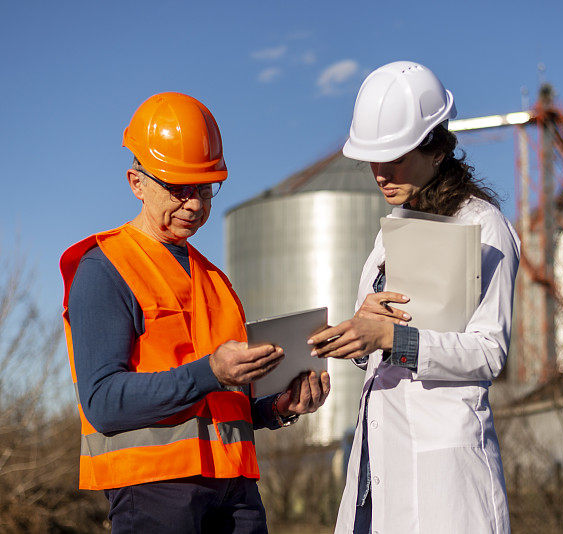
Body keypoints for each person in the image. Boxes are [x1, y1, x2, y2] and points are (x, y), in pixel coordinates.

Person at [60, 92, 330, 533]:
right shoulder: (104, 267)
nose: (193, 204)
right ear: (136, 182)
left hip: (236, 492)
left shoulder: (215, 279)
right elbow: (104, 404)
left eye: (204, 189)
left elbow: (217, 407)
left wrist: (276, 408)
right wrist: (212, 372)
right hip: (154, 494)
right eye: (178, 189)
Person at [308, 62, 520, 534]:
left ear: (436, 149)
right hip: (376, 461)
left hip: (442, 473)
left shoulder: (484, 228)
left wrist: (393, 337)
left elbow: (489, 354)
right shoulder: (391, 233)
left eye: (394, 158)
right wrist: (360, 335)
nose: (380, 173)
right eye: (372, 160)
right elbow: (381, 350)